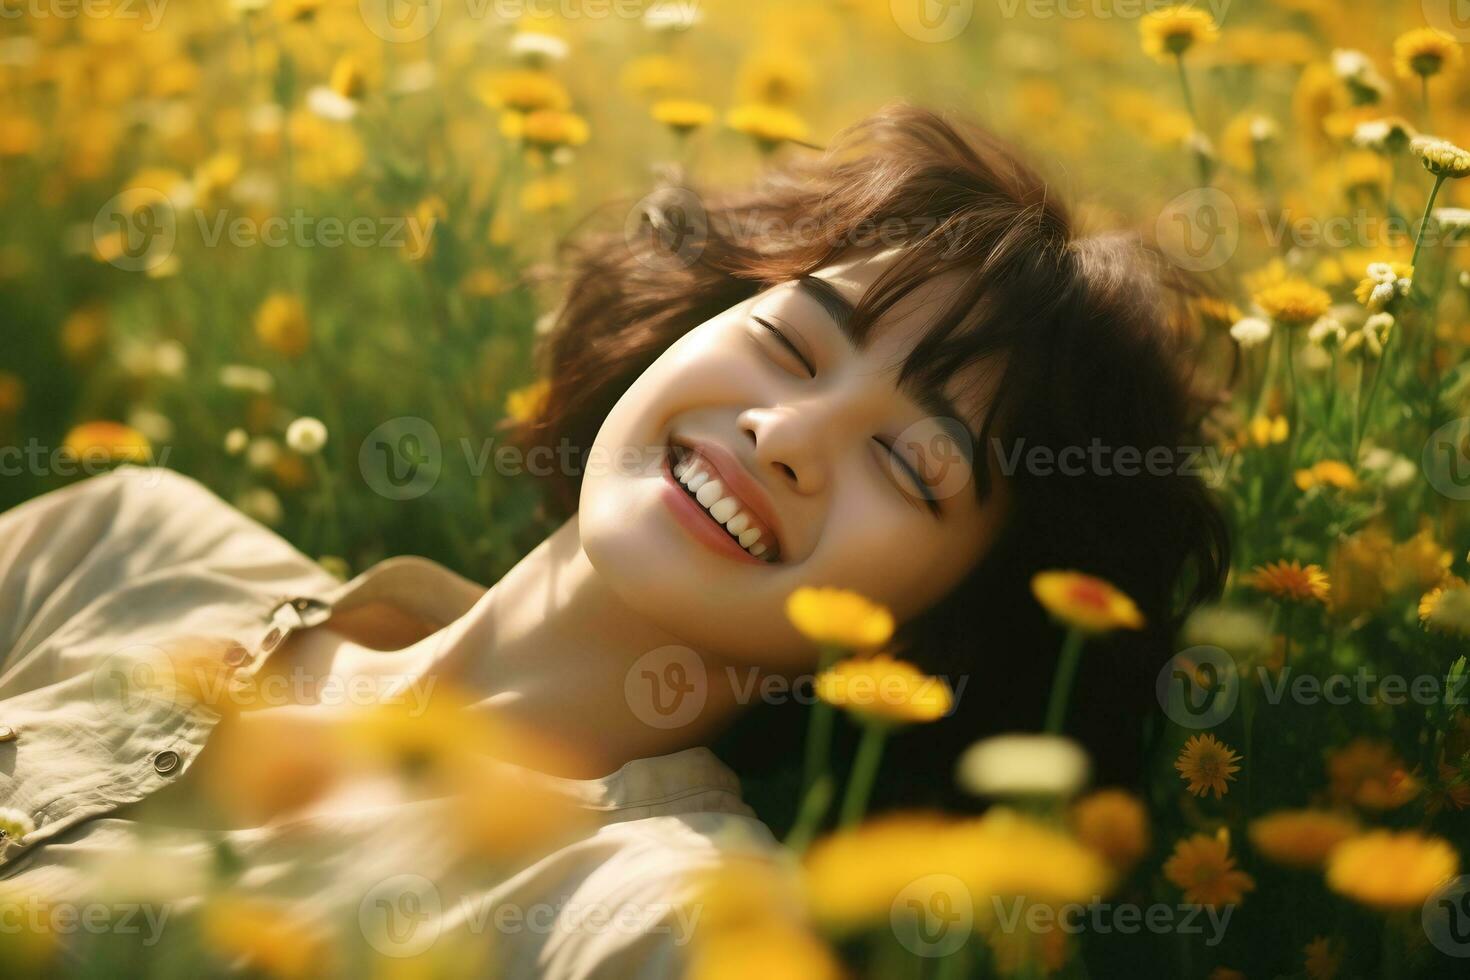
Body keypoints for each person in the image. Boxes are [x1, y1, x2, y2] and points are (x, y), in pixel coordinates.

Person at [0, 101, 1226, 977]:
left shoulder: (658, 923)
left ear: (945, 625)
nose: (789, 431)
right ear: (683, 326)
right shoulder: (124, 540)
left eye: (913, 462)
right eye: (797, 341)